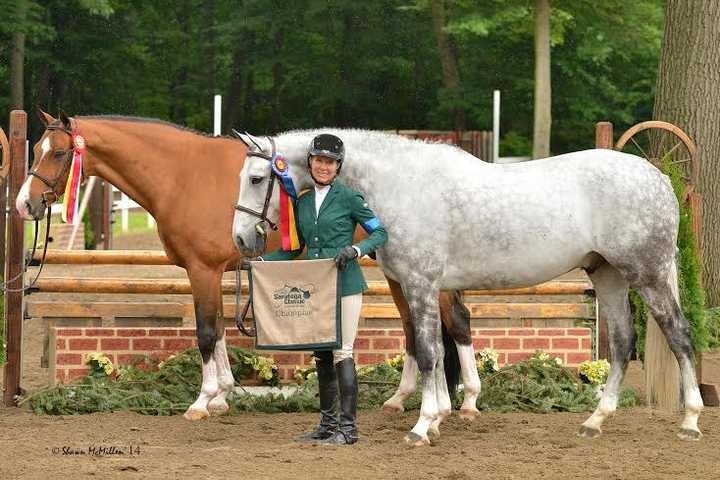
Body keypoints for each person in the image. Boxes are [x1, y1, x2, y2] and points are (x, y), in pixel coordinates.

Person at [256, 133, 387, 445]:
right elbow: (293, 249)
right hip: (317, 288)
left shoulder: (350, 198)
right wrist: (261, 261)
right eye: (319, 160)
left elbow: (380, 232)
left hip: (345, 285)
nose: (324, 166)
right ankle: (327, 426)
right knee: (322, 354)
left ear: (337, 165)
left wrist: (356, 250)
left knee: (343, 351)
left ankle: (349, 429)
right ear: (311, 163)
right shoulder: (300, 202)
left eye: (329, 161)